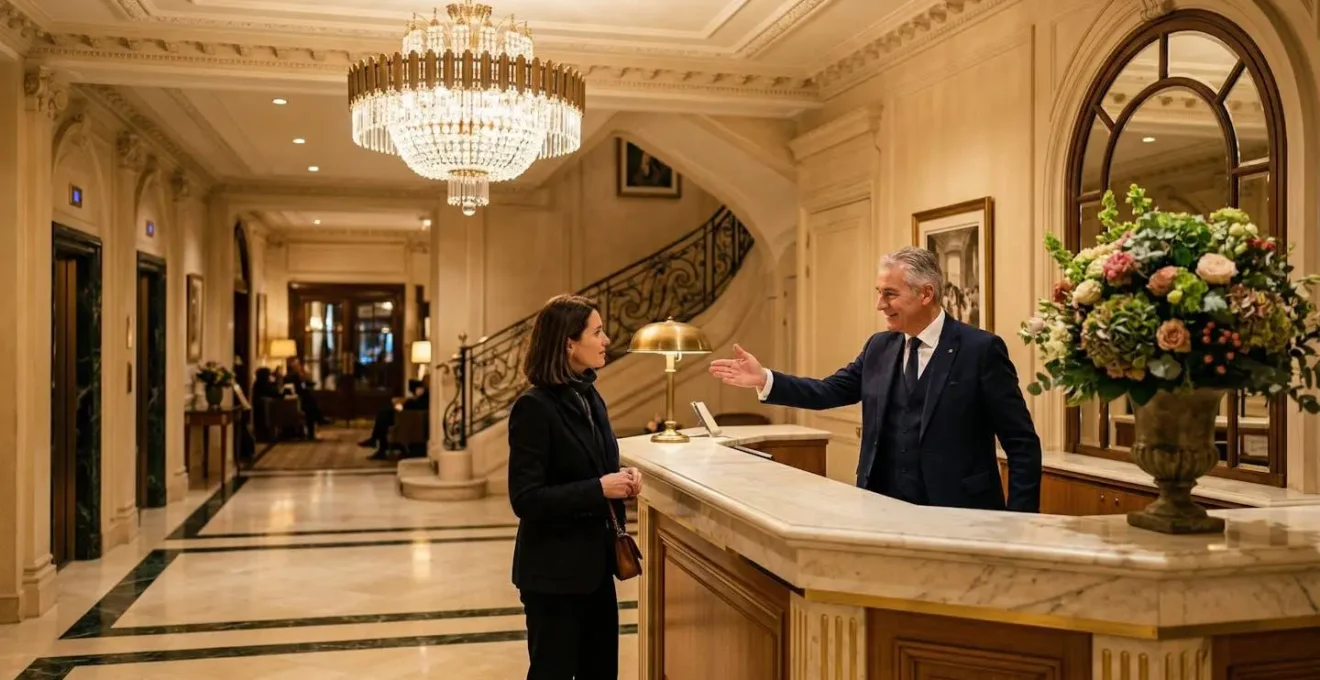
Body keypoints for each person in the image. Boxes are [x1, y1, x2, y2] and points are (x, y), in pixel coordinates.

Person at [709, 246, 1042, 512]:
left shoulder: (981, 350)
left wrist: (1020, 523)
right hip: (881, 508)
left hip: (962, 512)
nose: (879, 304)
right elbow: (828, 391)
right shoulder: (879, 347)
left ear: (925, 294)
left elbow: (1021, 443)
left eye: (889, 294)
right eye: (879, 293)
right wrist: (764, 379)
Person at [507, 294, 641, 680]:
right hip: (553, 575)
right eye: (597, 332)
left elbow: (597, 466)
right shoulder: (534, 408)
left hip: (597, 570)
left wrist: (626, 479)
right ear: (569, 343)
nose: (605, 341)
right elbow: (526, 499)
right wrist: (599, 488)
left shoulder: (590, 396)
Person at [359, 378, 429, 460]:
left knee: (384, 416)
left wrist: (403, 405)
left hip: (406, 418)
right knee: (383, 415)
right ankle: (375, 440)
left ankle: (375, 441)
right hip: (406, 417)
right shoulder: (424, 397)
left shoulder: (424, 398)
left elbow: (410, 407)